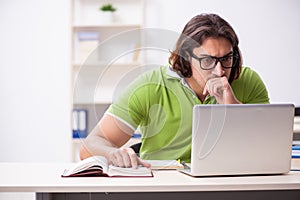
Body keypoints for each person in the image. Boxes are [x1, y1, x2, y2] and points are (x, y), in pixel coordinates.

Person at [80, 13, 269, 168]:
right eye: (208, 61)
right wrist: (113, 153)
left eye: (227, 59)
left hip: (233, 182)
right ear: (186, 56)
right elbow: (89, 147)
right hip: (165, 186)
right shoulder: (151, 86)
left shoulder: (249, 81)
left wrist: (230, 105)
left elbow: (267, 145)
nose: (220, 71)